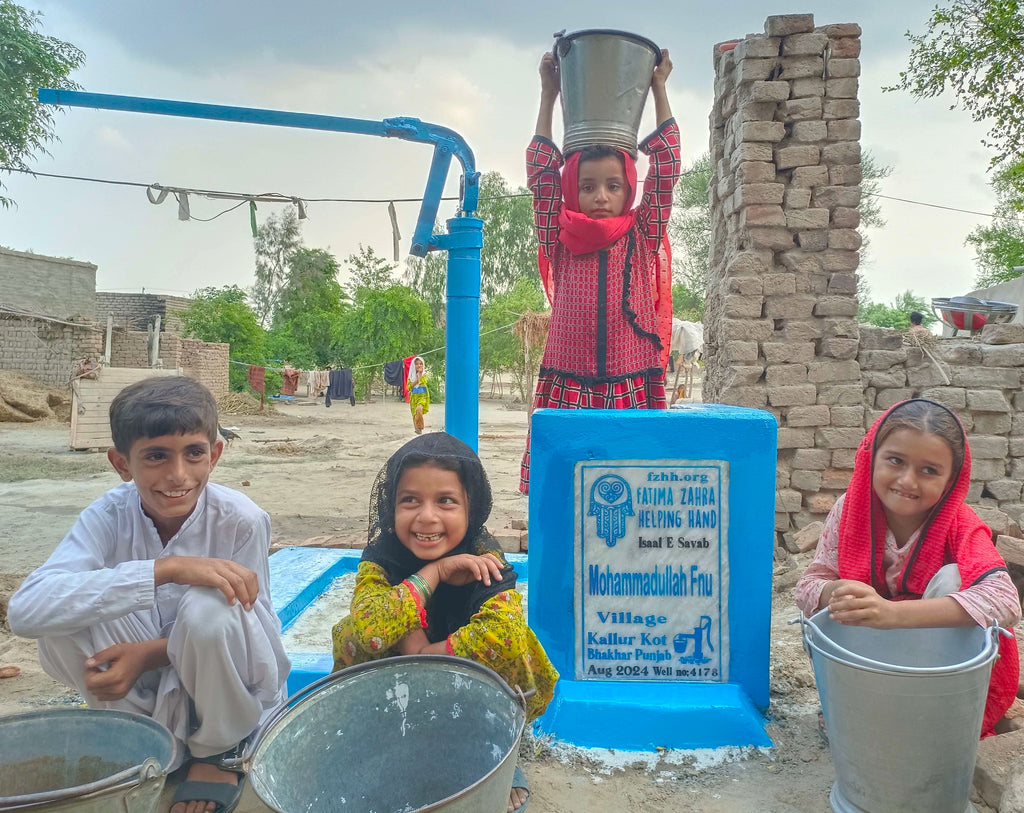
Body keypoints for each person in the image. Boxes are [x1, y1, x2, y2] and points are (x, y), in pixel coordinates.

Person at [8, 376, 289, 813]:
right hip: (141, 696)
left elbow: (255, 633)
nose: (178, 475)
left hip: (220, 690)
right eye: (156, 456)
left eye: (193, 453)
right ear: (122, 464)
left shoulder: (241, 520)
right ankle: (148, 743)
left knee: (211, 605)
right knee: (58, 620)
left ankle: (218, 751)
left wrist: (149, 653)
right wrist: (165, 570)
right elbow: (25, 613)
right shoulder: (107, 516)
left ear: (214, 455)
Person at [332, 433, 558, 813]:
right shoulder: (382, 555)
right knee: (355, 631)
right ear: (391, 506)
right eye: (410, 501)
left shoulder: (485, 555)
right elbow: (371, 630)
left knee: (514, 638)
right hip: (394, 691)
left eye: (446, 501)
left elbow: (500, 634)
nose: (427, 517)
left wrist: (424, 653)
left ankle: (499, 750)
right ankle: (390, 747)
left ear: (472, 507)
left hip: (469, 692)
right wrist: (432, 573)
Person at [795, 399, 1021, 738]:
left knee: (955, 578)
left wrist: (892, 614)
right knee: (824, 612)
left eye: (929, 470)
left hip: (936, 662)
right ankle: (856, 707)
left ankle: (932, 716)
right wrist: (834, 592)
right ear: (871, 458)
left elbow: (1005, 601)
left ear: (951, 481)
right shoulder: (850, 509)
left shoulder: (960, 523)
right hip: (869, 651)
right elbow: (808, 585)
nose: (907, 481)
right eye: (895, 461)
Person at [519, 47, 681, 494]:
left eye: (613, 186)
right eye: (587, 186)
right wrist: (548, 94)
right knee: (562, 486)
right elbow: (540, 174)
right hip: (567, 380)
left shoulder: (642, 231)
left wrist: (657, 87)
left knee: (634, 483)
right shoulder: (558, 233)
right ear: (572, 188)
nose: (601, 196)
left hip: (632, 381)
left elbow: (666, 171)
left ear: (629, 187)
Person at [408, 355, 430, 434]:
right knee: (414, 414)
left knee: (419, 409)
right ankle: (417, 430)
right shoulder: (411, 376)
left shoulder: (424, 375)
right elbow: (409, 387)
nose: (419, 365)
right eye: (417, 364)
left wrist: (420, 374)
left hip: (422, 397)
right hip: (414, 397)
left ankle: (420, 426)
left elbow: (422, 382)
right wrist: (416, 379)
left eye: (421, 364)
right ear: (414, 365)